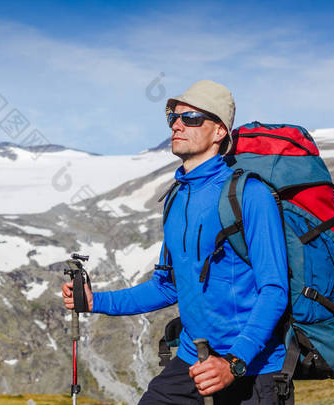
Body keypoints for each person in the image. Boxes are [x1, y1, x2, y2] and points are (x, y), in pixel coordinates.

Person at [61, 80, 293, 404]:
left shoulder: (250, 196)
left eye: (192, 118)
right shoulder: (176, 198)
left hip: (252, 370)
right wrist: (94, 301)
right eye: (174, 117)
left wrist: (234, 363)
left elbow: (275, 290)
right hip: (191, 360)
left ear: (219, 131)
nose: (178, 125)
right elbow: (166, 286)